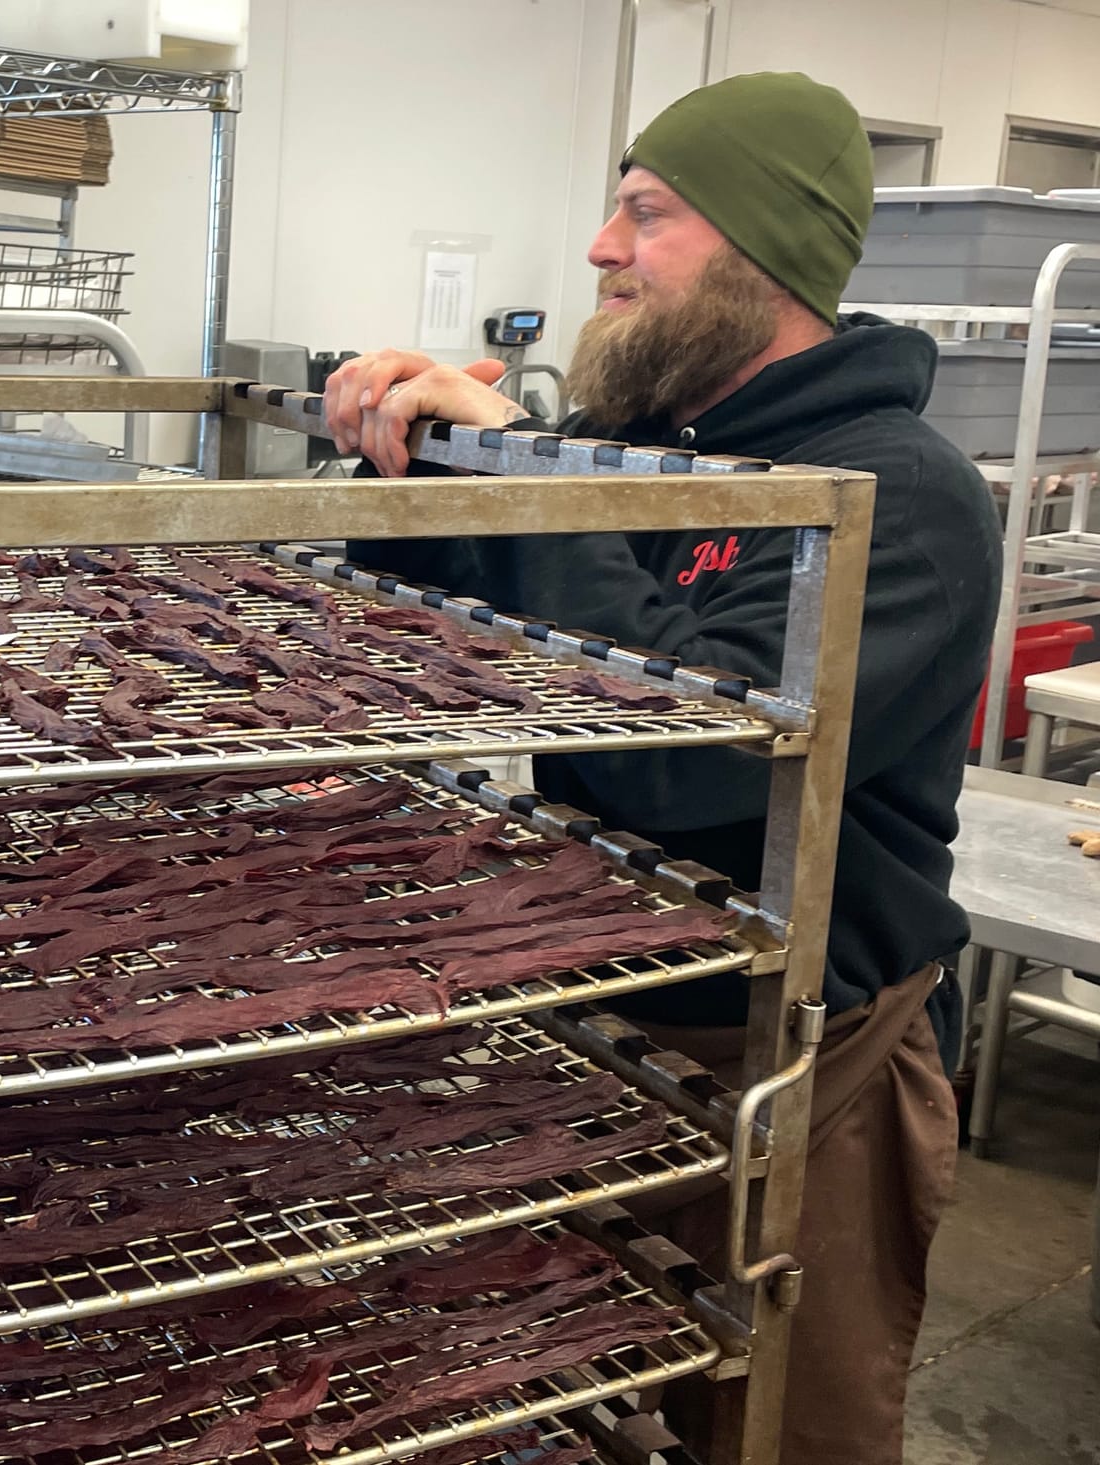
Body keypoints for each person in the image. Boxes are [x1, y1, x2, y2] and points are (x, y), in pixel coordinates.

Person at [323, 73, 999, 1465]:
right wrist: (419, 463)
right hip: (615, 1031)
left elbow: (692, 768)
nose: (599, 250)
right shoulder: (664, 451)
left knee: (773, 1424)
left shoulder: (900, 494)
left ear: (762, 255)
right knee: (584, 1387)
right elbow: (422, 622)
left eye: (646, 213)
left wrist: (530, 467)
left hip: (806, 1070)